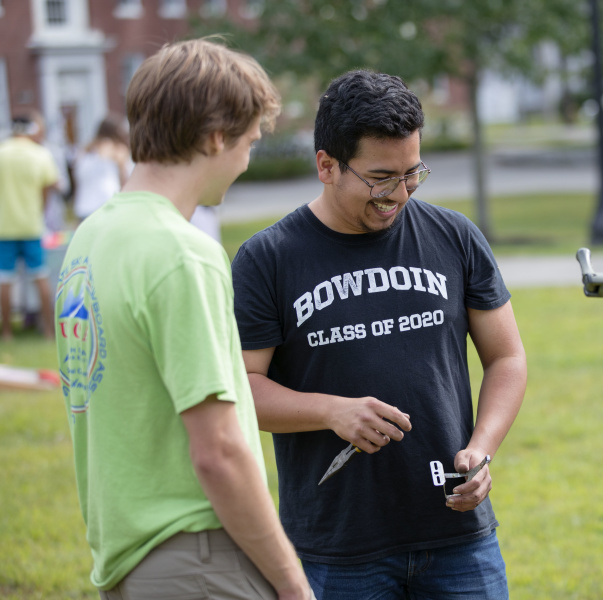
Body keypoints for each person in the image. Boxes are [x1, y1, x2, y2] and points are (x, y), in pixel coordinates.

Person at [231, 69, 528, 599]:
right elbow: (241, 391)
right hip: (338, 549)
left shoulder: (455, 237)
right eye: (380, 177)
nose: (398, 194)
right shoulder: (268, 259)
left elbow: (506, 357)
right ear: (326, 165)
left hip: (458, 538)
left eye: (412, 174)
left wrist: (482, 449)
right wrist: (331, 411)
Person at [54, 39, 313, 600]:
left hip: (127, 555)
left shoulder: (91, 238)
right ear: (216, 135)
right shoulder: (182, 253)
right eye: (247, 142)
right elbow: (217, 451)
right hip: (199, 556)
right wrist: (294, 583)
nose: (246, 159)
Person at [0, 110, 59, 341]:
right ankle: (48, 330)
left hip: (4, 227)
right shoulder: (40, 154)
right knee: (40, 277)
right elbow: (49, 187)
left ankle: (6, 333)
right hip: (32, 225)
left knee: (4, 280)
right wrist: (39, 210)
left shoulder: (2, 153)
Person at [72, 115, 131, 221]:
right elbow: (125, 179)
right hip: (108, 203)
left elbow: (77, 179)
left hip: (83, 206)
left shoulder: (84, 150)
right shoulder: (117, 150)